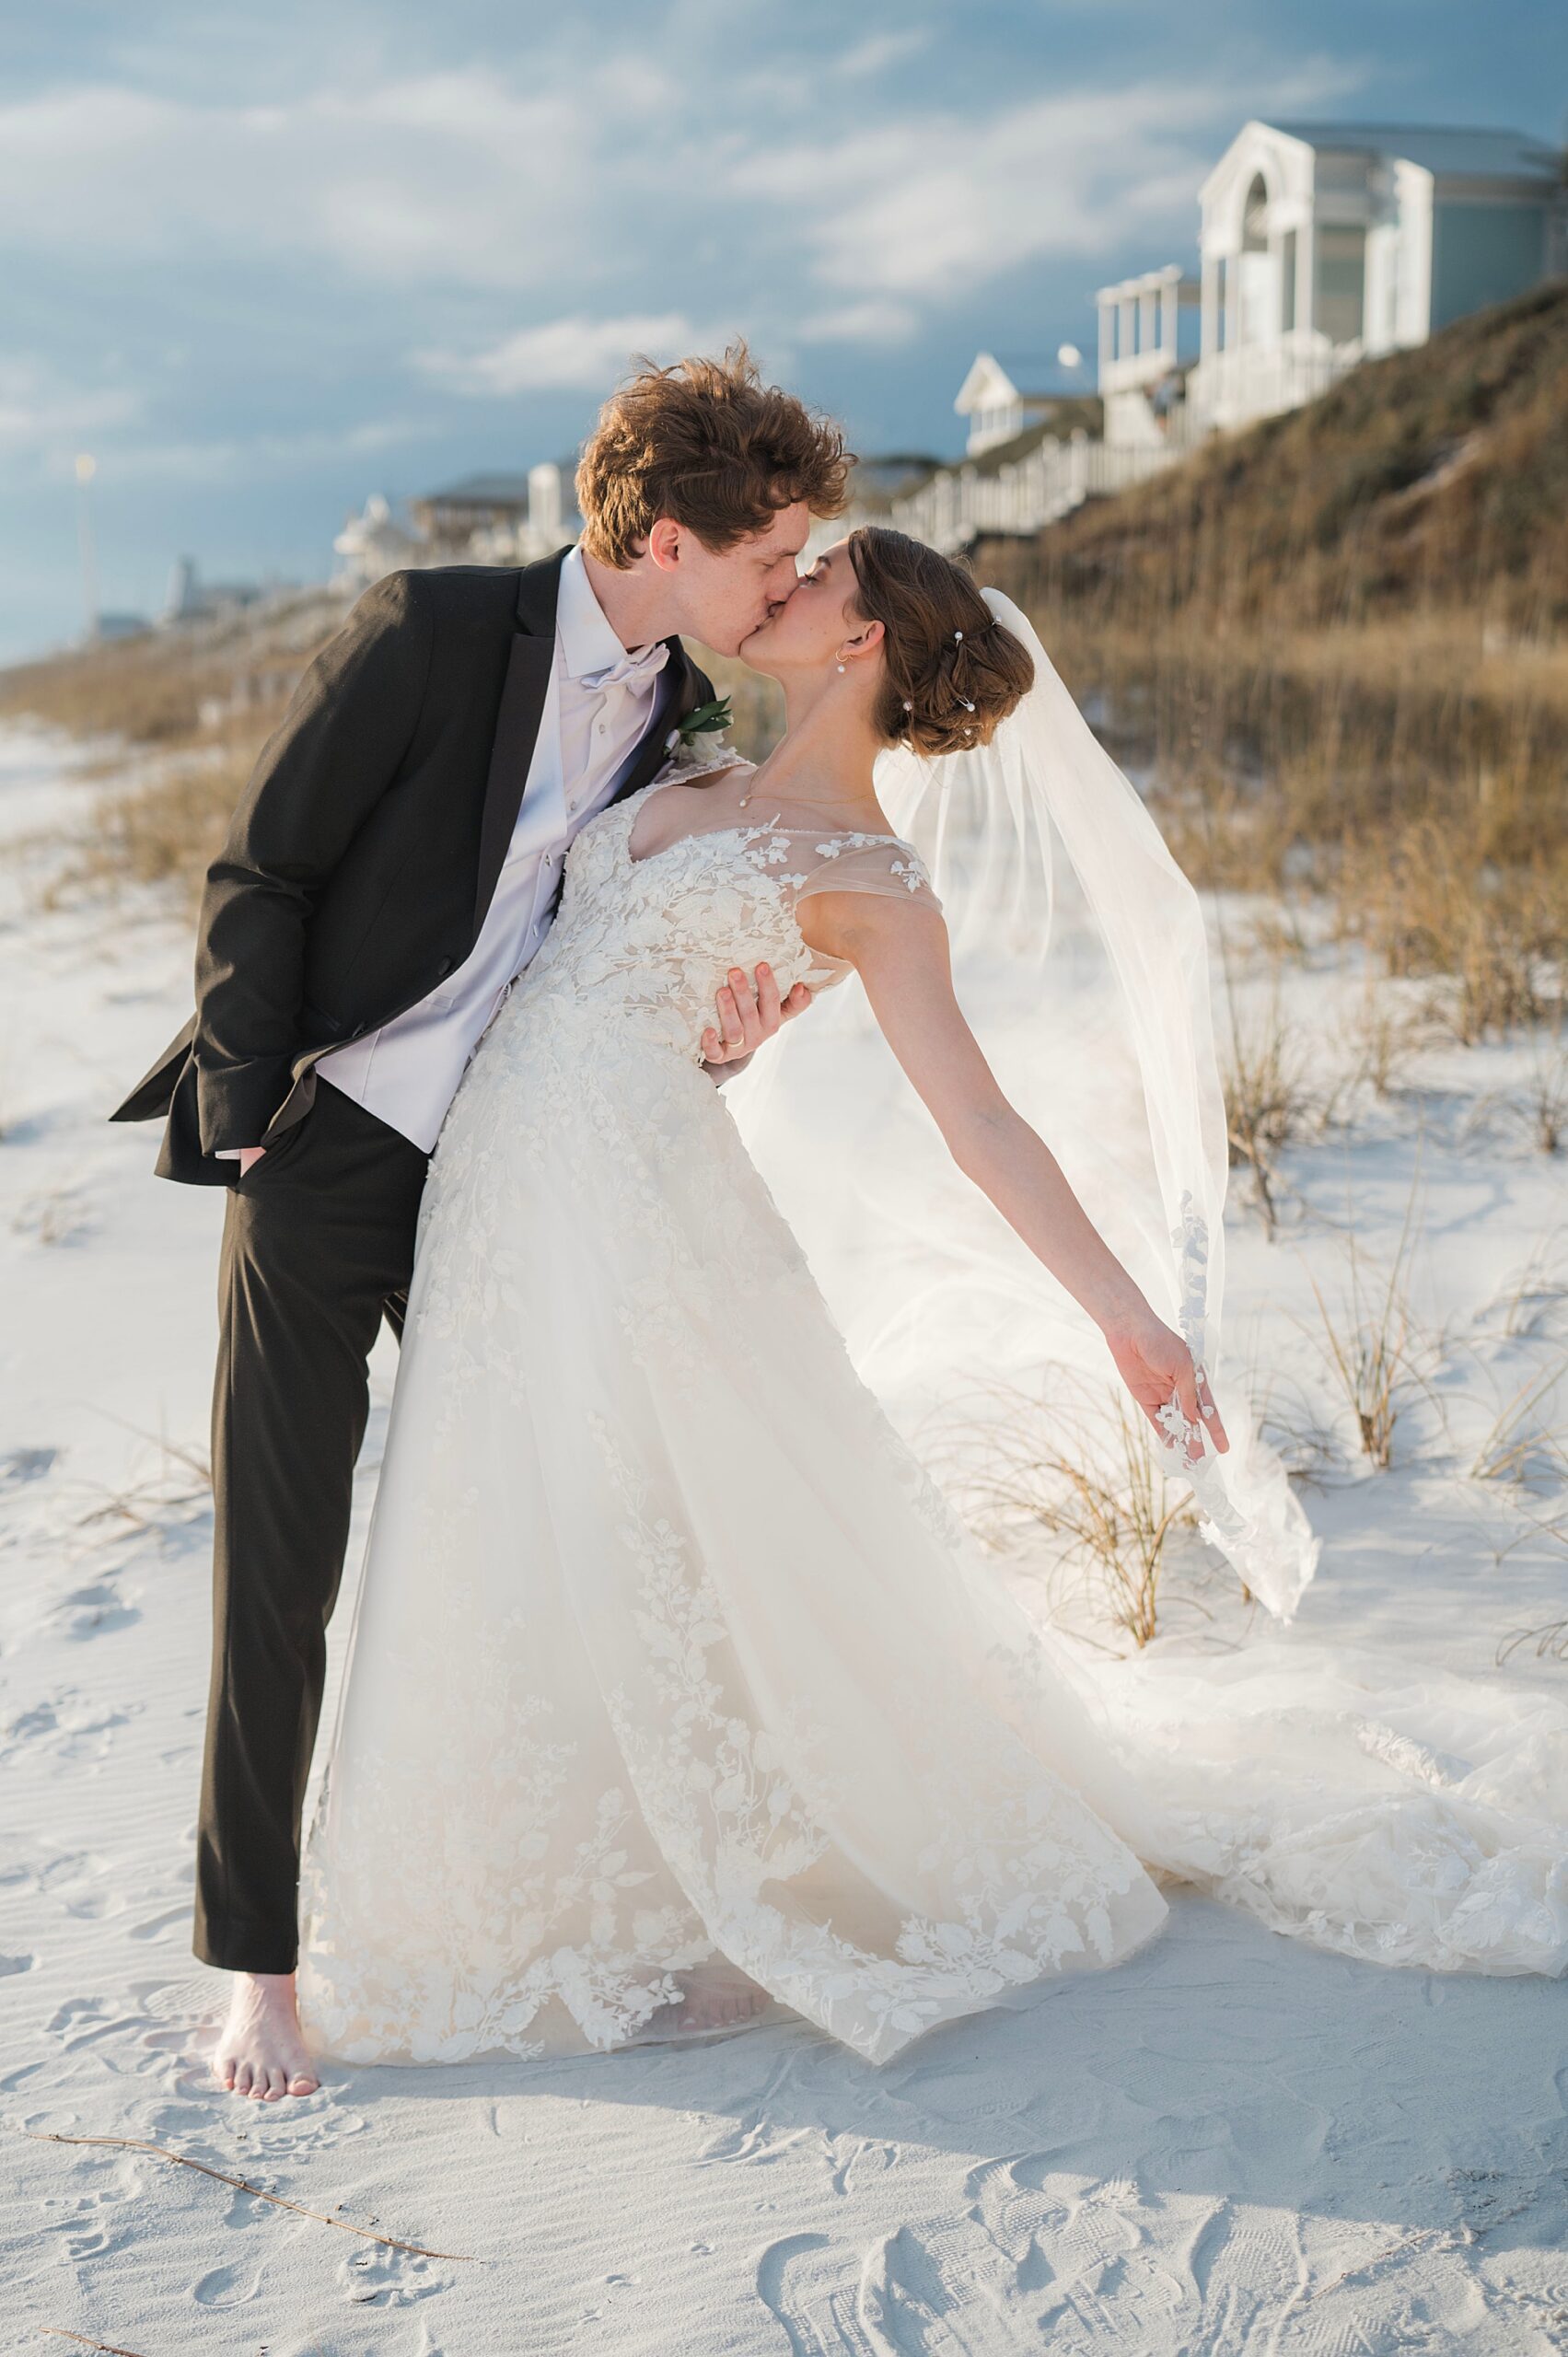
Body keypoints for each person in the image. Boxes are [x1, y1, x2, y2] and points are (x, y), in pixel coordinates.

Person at [290, 522, 1567, 2077]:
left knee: (661, 1522)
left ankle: (726, 1896)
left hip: (633, 1203)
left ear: (864, 641)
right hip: (504, 1192)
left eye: (816, 573)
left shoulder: (873, 884)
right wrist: (723, 1042)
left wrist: (1132, 1321)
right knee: (515, 1507)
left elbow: (983, 1126)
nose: (785, 581)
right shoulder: (674, 776)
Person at [109, 344, 854, 2099]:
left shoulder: (690, 718)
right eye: (770, 560)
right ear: (667, 536)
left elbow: (617, 975)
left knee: (564, 1540)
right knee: (279, 1572)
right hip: (323, 1147)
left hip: (508, 1179)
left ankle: (609, 1923)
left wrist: (718, 1040)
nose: (789, 590)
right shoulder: (433, 628)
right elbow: (263, 868)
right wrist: (245, 1123)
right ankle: (260, 1973)